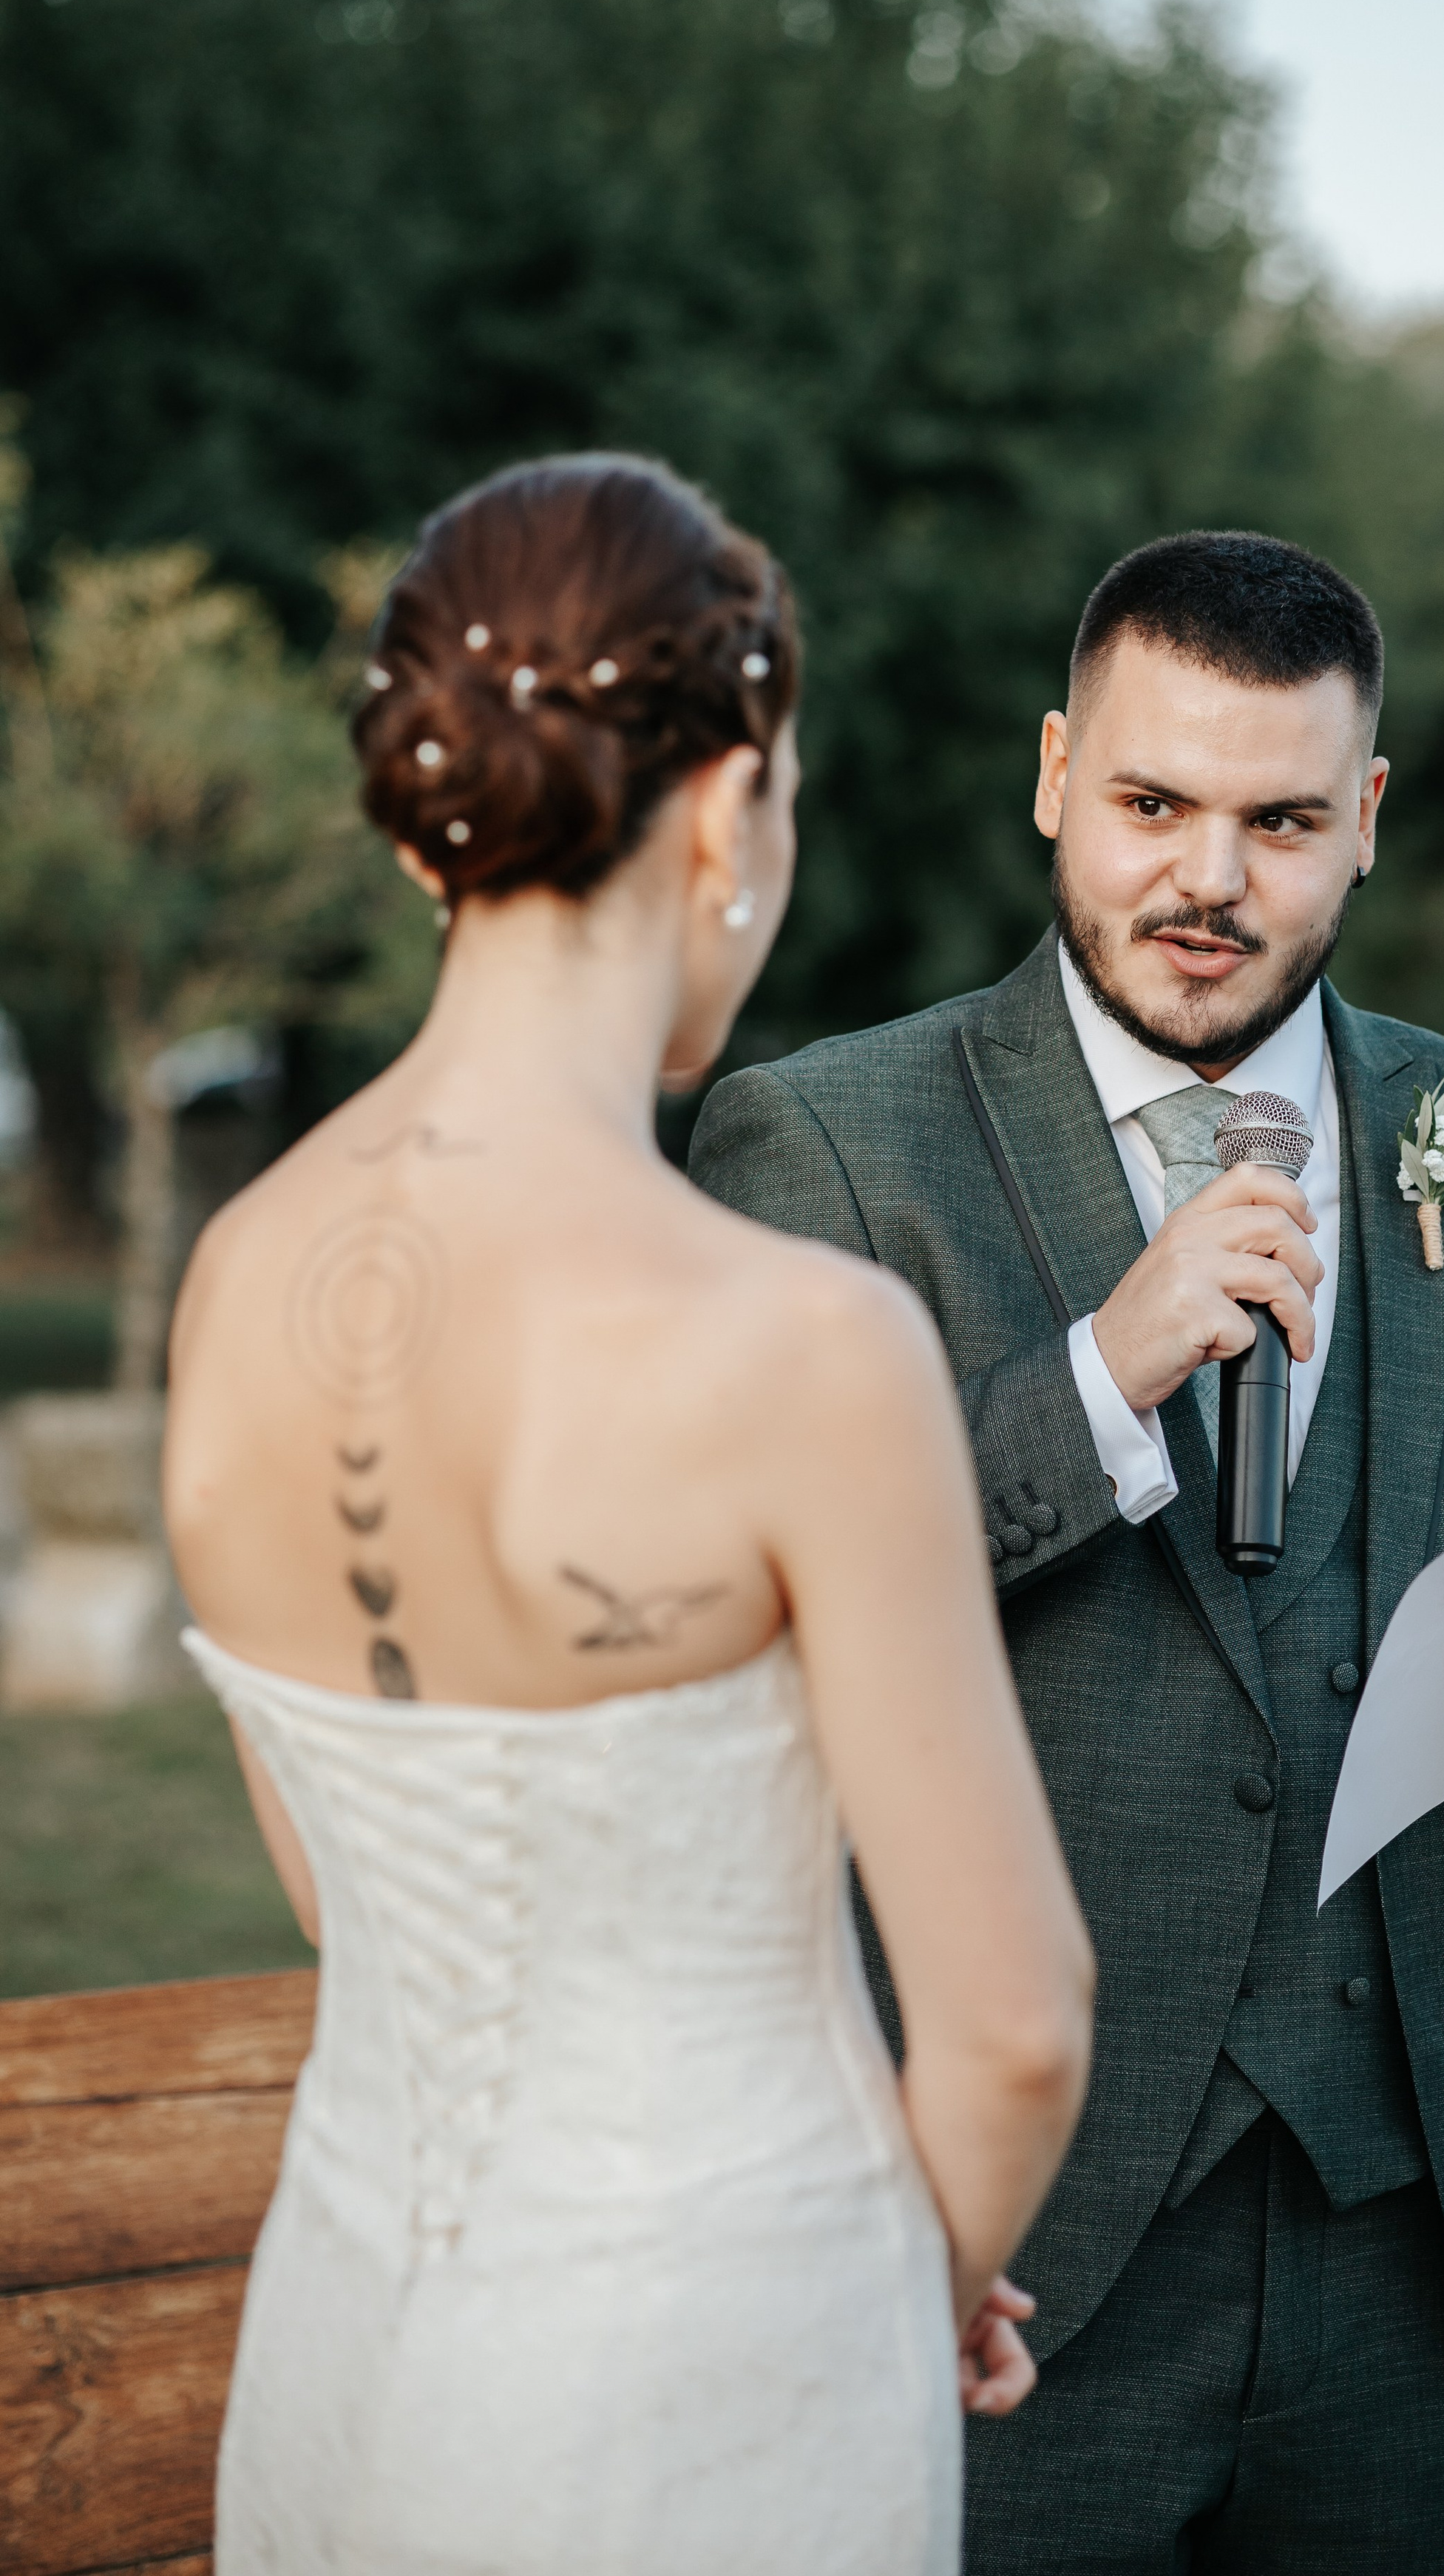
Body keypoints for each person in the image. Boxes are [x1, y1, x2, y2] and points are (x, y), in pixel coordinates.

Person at [689, 528, 1444, 2576]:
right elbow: (751, 1610)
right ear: (1051, 778)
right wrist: (1100, 1375)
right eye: (1151, 804)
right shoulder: (828, 1143)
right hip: (1013, 2235)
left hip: (1412, 2234)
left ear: (1365, 820)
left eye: (1280, 820)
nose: (1209, 879)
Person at [162, 453, 1094, 2576]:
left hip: (349, 2347)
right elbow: (1017, 2029)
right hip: (710, 2389)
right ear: (719, 804)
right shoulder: (799, 1347)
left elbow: (344, 1893)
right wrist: (909, 2282)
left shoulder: (234, 1288)